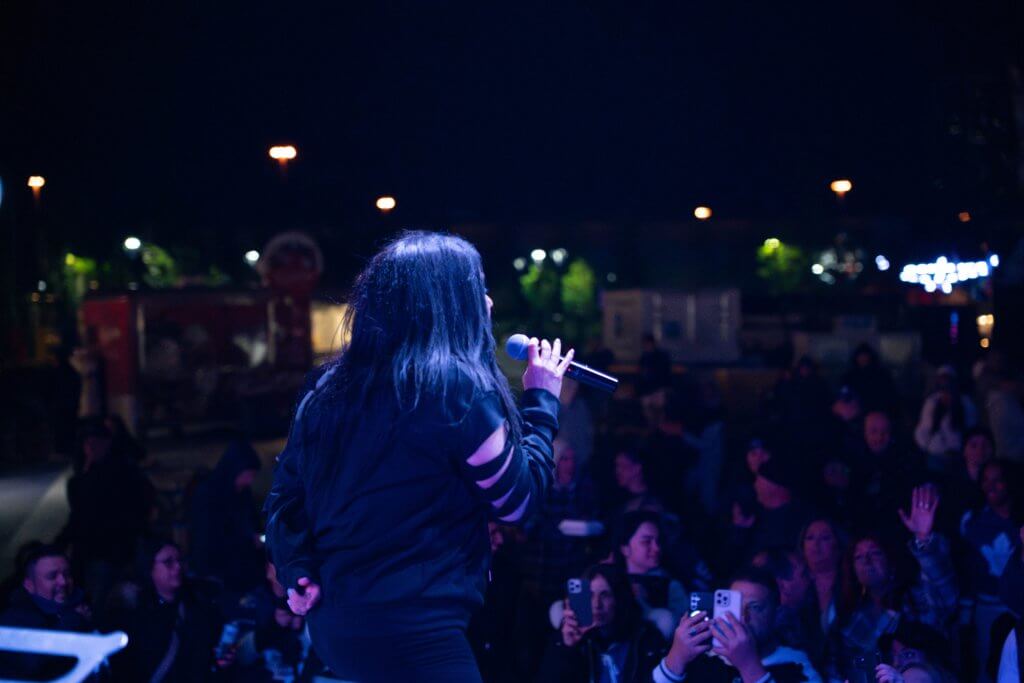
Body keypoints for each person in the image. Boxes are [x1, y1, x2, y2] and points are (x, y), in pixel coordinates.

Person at [263, 232, 572, 682]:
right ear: (447, 302)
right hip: (416, 630)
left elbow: (285, 497)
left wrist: (296, 568)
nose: (487, 301)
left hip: (335, 624)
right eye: (477, 286)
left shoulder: (326, 386)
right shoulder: (455, 390)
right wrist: (541, 401)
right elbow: (517, 502)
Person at [832, 486, 958, 680]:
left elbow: (945, 595)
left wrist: (923, 539)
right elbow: (850, 669)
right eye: (858, 557)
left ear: (891, 563)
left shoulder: (917, 600)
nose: (867, 561)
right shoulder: (850, 620)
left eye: (874, 553)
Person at [106, 537, 234, 682]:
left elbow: (208, 655)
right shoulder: (133, 614)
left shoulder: (197, 605)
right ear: (150, 567)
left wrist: (221, 660)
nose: (178, 566)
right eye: (168, 562)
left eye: (179, 560)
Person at [658, 569, 821, 682]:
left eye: (755, 607)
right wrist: (675, 659)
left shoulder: (796, 665)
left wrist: (748, 665)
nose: (743, 617)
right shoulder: (703, 658)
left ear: (776, 615)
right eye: (735, 607)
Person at [538, 563, 668, 682]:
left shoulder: (646, 638)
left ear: (619, 598)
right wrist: (567, 649)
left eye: (604, 595)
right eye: (590, 595)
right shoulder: (568, 636)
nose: (596, 604)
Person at [958, 460, 1022, 681]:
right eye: (986, 480)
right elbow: (967, 572)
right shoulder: (973, 521)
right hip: (986, 609)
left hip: (1019, 609)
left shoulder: (1019, 521)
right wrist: (965, 619)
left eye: (997, 480)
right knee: (988, 667)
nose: (991, 486)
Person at [0, 544, 93, 680]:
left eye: (67, 574)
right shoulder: (14, 621)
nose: (63, 582)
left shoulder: (84, 605)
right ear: (29, 585)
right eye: (52, 576)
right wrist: (73, 621)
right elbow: (34, 665)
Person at [188, 439, 265, 595]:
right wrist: (248, 541)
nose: (249, 481)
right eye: (247, 475)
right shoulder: (208, 494)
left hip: (244, 562)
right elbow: (208, 536)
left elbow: (252, 521)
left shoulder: (243, 493)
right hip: (219, 567)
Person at [616, 511, 689, 637]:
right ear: (625, 548)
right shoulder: (611, 583)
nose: (656, 548)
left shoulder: (670, 586)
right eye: (646, 542)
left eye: (658, 542)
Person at [914, 365, 978, 468]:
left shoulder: (966, 403)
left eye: (948, 383)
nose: (945, 387)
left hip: (959, 457)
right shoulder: (931, 402)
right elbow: (923, 430)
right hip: (935, 455)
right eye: (942, 384)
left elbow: (972, 430)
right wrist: (928, 448)